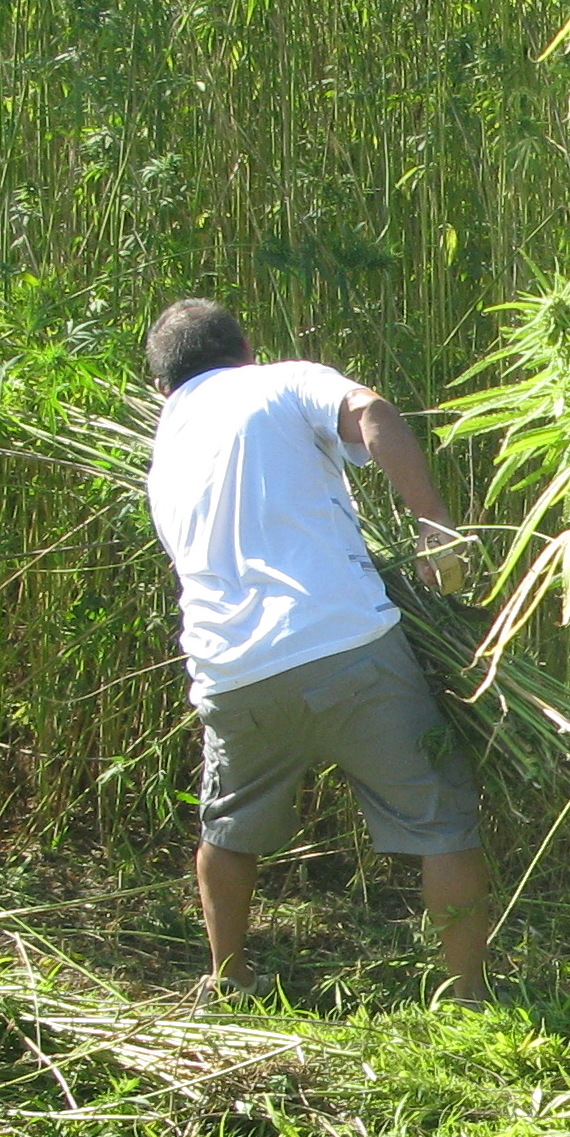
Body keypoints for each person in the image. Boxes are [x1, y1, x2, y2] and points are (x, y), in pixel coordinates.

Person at [139, 299, 491, 1003]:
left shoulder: (163, 452)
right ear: (246, 348)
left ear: (162, 389)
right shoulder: (280, 381)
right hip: (346, 646)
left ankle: (229, 979)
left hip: (231, 674)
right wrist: (435, 529)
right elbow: (374, 415)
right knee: (441, 819)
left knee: (229, 831)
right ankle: (470, 998)